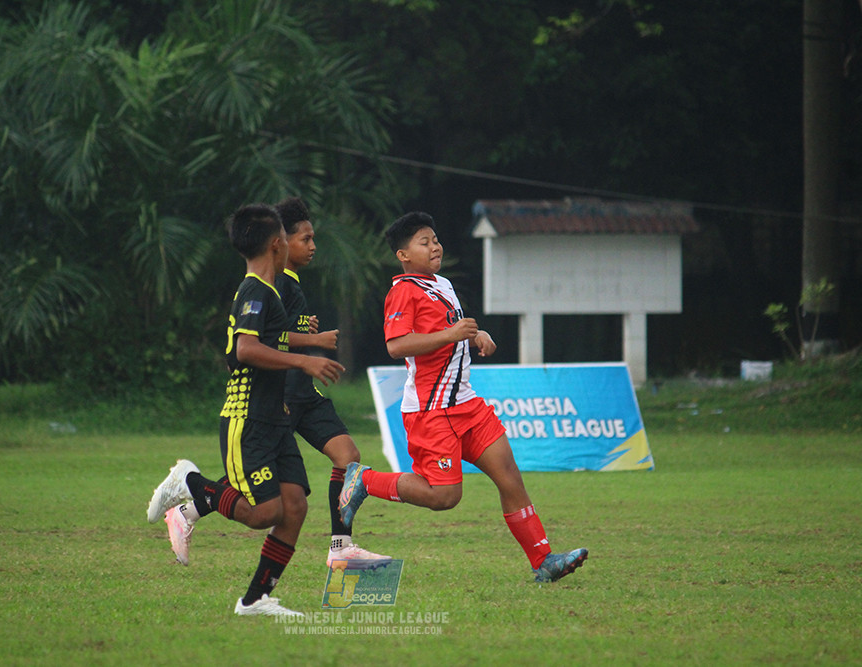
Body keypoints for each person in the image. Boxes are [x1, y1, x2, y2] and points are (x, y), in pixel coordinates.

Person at [338, 211, 588, 584]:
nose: (435, 246)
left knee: (509, 477)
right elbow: (396, 346)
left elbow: (448, 330)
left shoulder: (442, 284)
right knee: (444, 497)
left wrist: (475, 335)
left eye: (435, 239)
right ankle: (365, 481)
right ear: (403, 255)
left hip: (467, 405)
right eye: (424, 242)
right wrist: (454, 335)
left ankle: (544, 561)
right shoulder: (402, 291)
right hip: (430, 410)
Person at [146, 203, 345, 618]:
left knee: (294, 508)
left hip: (275, 417)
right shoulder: (255, 289)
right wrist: (306, 360)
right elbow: (247, 349)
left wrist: (306, 345)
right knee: (264, 512)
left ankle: (255, 601)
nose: (302, 245)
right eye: (296, 238)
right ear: (278, 244)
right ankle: (191, 482)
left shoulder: (268, 292)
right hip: (247, 417)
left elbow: (271, 340)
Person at [272, 196, 390, 567]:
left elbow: (285, 330)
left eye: (313, 238)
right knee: (258, 481)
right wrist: (313, 341)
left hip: (305, 393)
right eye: (305, 239)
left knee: (348, 456)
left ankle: (341, 548)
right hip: (280, 395)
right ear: (281, 242)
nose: (313, 246)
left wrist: (304, 331)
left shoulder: (292, 285)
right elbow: (258, 340)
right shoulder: (274, 283)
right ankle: (194, 501)